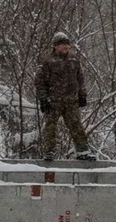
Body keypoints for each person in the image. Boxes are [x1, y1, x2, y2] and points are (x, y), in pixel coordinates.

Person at [35, 32, 93, 161]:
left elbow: (80, 79)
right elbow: (40, 82)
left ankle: (83, 151)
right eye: (63, 45)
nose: (66, 47)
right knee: (50, 127)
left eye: (68, 44)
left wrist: (82, 95)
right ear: (56, 46)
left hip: (71, 101)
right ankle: (49, 152)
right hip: (53, 101)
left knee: (76, 126)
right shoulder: (47, 62)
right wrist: (43, 99)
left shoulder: (74, 61)